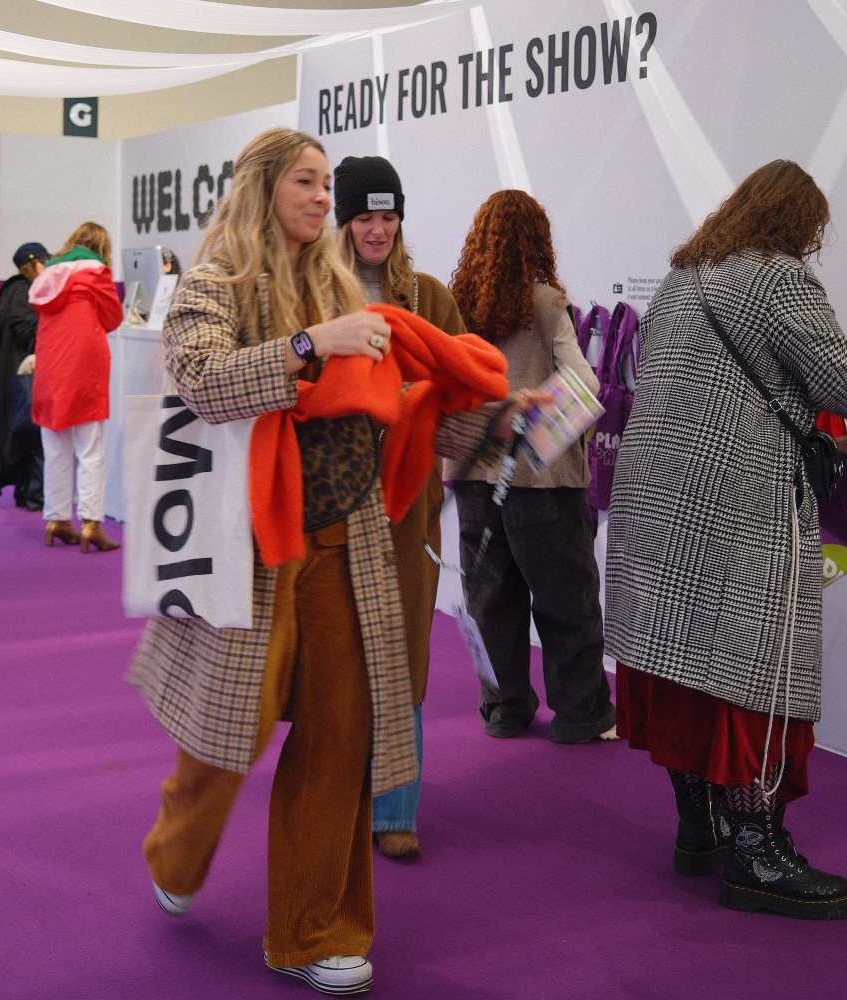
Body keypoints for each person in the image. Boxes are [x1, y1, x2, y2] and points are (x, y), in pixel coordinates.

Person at [127, 127, 526, 996]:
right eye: (306, 182)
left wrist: (497, 423)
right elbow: (199, 381)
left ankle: (312, 932)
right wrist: (314, 346)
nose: (323, 198)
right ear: (264, 186)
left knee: (340, 743)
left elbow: (395, 409)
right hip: (252, 552)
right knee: (227, 738)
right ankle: (176, 845)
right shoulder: (216, 280)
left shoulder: (341, 284)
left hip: (350, 546)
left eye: (324, 184)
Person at [605, 160, 847, 918]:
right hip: (737, 508)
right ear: (795, 221)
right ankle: (758, 855)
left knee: (683, 670)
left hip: (658, 504)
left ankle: (699, 828)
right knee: (756, 678)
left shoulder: (683, 276)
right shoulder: (776, 280)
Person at [447, 190, 616, 745]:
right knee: (566, 599)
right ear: (538, 239)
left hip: (474, 476)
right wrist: (536, 435)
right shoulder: (546, 303)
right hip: (543, 483)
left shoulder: (455, 304)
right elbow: (585, 383)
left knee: (492, 600)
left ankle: (507, 708)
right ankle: (580, 714)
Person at [334, 154, 466, 860]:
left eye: (388, 217)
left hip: (410, 503)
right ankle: (336, 793)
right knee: (338, 654)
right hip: (333, 500)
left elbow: (462, 386)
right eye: (364, 217)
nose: (377, 230)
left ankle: (395, 810)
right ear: (344, 222)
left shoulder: (432, 298)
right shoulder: (315, 297)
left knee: (405, 651)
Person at [29, 222, 123, 552]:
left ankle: (56, 519)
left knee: (55, 446)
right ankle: (91, 523)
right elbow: (113, 317)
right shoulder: (96, 272)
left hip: (51, 367)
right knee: (90, 449)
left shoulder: (46, 275)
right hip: (85, 368)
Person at [0, 241, 48, 510]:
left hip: (12, 376)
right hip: (24, 375)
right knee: (34, 436)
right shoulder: (26, 291)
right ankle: (35, 495)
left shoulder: (12, 290)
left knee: (21, 434)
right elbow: (29, 333)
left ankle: (26, 493)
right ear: (36, 264)